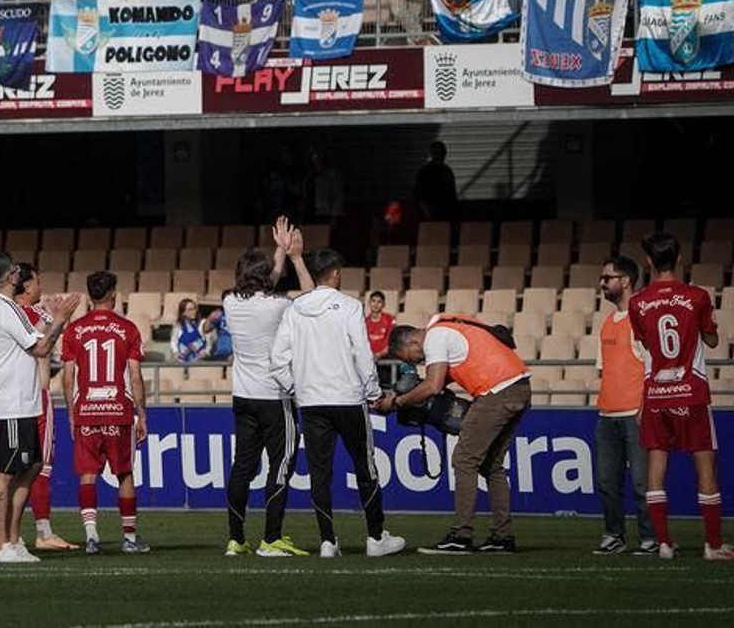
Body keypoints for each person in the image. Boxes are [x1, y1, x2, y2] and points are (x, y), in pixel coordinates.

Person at [271, 249, 404, 558]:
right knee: (365, 466)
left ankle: (328, 541)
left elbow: (278, 360)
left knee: (319, 472)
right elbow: (362, 352)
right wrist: (374, 393)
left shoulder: (294, 309)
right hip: (347, 398)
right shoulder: (349, 306)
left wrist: (297, 387)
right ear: (334, 274)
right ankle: (375, 537)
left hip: (312, 402)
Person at [629, 234, 734, 562]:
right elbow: (710, 340)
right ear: (680, 258)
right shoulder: (697, 296)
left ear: (649, 262)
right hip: (691, 391)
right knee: (705, 463)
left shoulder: (637, 302)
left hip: (656, 393)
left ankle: (664, 544)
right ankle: (712, 545)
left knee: (656, 464)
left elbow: (648, 347)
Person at [386, 313, 531, 554]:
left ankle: (461, 535)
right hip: (519, 387)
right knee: (492, 466)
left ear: (411, 343)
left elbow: (432, 385)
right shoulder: (447, 328)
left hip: (497, 391)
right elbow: (440, 382)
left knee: (464, 459)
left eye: (413, 358)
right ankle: (502, 536)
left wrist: (398, 402)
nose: (420, 361)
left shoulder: (435, 337)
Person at [0, 254, 78, 564]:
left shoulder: (3, 307)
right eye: (16, 271)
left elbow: (31, 342)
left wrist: (49, 319)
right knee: (4, 474)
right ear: (9, 278)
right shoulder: (0, 307)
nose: (20, 274)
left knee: (31, 466)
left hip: (21, 401)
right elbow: (42, 347)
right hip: (9, 403)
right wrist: (60, 318)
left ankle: (13, 539)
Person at [222, 220, 312, 557]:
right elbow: (311, 295)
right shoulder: (277, 305)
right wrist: (295, 256)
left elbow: (267, 280)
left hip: (243, 397)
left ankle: (236, 538)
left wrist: (278, 250)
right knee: (281, 465)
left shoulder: (230, 301)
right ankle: (272, 537)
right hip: (275, 397)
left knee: (242, 467)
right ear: (264, 278)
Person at [60, 271, 148, 555]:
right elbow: (135, 376)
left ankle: (91, 535)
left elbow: (68, 376)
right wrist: (141, 414)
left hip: (86, 409)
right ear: (113, 294)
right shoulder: (128, 328)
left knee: (87, 474)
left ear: (89, 295)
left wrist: (72, 412)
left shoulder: (74, 330)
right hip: (117, 411)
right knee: (124, 474)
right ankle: (130, 538)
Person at [592, 256, 656, 556]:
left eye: (608, 278)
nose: (602, 283)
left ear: (626, 281)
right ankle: (614, 534)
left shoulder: (641, 317)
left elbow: (653, 367)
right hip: (607, 414)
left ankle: (650, 538)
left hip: (635, 413)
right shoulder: (607, 323)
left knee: (643, 483)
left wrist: (646, 406)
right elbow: (604, 371)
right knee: (607, 481)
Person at [12, 264, 73, 552]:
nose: (40, 286)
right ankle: (44, 532)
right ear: (26, 286)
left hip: (10, 400)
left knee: (10, 469)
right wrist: (58, 317)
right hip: (38, 396)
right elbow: (47, 344)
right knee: (41, 467)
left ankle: (10, 535)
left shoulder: (8, 314)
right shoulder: (38, 315)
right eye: (37, 281)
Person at [412, 141, 458, 221]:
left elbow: (452, 195)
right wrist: (427, 212)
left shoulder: (446, 171)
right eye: (437, 151)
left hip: (443, 214)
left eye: (440, 151)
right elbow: (417, 195)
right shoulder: (425, 172)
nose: (440, 154)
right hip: (434, 214)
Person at [169, 298, 211, 364]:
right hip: (183, 360)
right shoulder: (178, 326)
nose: (193, 311)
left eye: (194, 308)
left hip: (199, 360)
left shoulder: (202, 323)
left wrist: (206, 351)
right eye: (190, 310)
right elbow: (173, 342)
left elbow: (209, 341)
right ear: (183, 313)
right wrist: (175, 352)